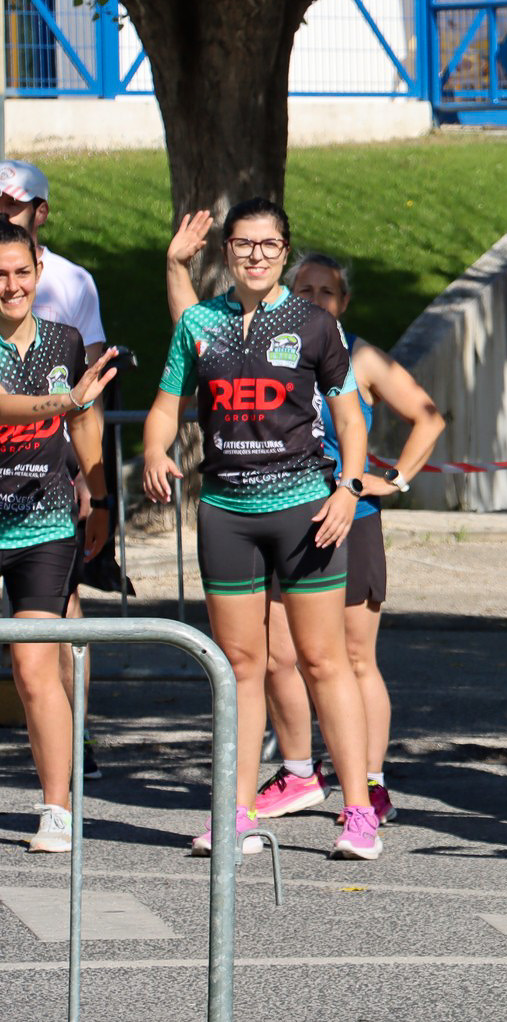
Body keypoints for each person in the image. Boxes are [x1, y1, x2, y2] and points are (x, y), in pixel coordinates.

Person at [166, 224, 448, 829]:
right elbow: (193, 336)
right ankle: (298, 773)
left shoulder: (356, 352)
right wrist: (175, 270)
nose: (317, 299)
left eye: (328, 291)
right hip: (264, 512)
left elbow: (426, 418)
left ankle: (367, 787)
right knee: (271, 658)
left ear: (341, 303)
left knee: (345, 658)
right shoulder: (252, 331)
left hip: (347, 514)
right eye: (308, 289)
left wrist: (388, 480)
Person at [142, 199, 379, 859]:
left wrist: (348, 488)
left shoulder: (315, 324)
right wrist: (156, 450)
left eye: (267, 245)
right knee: (240, 666)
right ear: (226, 250)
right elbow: (165, 409)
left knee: (323, 661)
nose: (254, 255)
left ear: (284, 250)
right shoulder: (198, 323)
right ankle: (237, 812)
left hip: (304, 511)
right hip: (226, 512)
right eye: (243, 244)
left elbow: (353, 422)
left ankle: (359, 812)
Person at [0, 220, 117, 853]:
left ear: (39, 270)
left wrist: (98, 497)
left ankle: (57, 808)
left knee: (33, 665)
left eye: (21, 272)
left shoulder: (67, 340)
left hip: (44, 522)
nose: (11, 286)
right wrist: (62, 404)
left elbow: (89, 422)